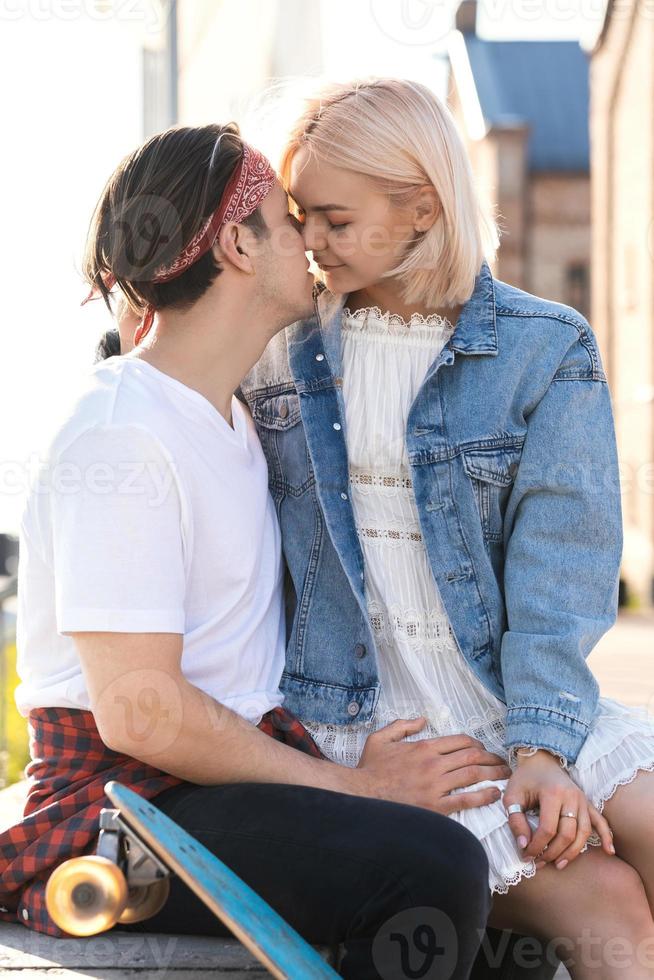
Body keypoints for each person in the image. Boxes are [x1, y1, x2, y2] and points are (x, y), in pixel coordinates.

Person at [1, 121, 510, 980]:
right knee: (431, 873)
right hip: (127, 810)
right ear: (236, 242)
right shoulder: (123, 435)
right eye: (285, 217)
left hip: (223, 782)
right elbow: (141, 712)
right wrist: (359, 789)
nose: (312, 239)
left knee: (503, 885)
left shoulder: (233, 411)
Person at [234, 78, 654, 977]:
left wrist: (542, 749)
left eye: (335, 221)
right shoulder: (273, 349)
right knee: (610, 903)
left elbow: (564, 563)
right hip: (371, 727)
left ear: (420, 206)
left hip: (519, 701)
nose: (310, 241)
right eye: (300, 216)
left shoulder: (548, 347)